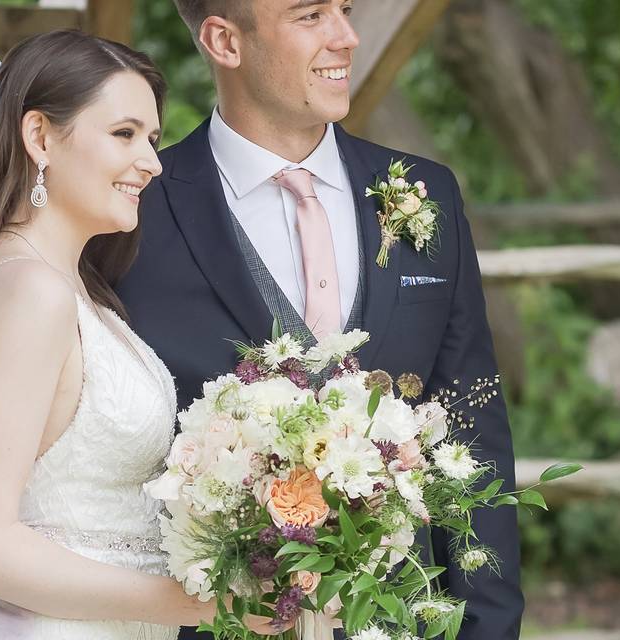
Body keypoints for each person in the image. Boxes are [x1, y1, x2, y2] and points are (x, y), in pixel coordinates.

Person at [116, 2, 525, 639]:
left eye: (345, 9)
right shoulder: (136, 211)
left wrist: (488, 628)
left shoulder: (426, 192)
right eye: (311, 15)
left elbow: (473, 427)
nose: (347, 37)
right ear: (225, 40)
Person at [0, 29, 291, 640]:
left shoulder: (67, 287)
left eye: (152, 138)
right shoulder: (29, 294)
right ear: (40, 137)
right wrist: (197, 604)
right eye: (124, 134)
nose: (151, 161)